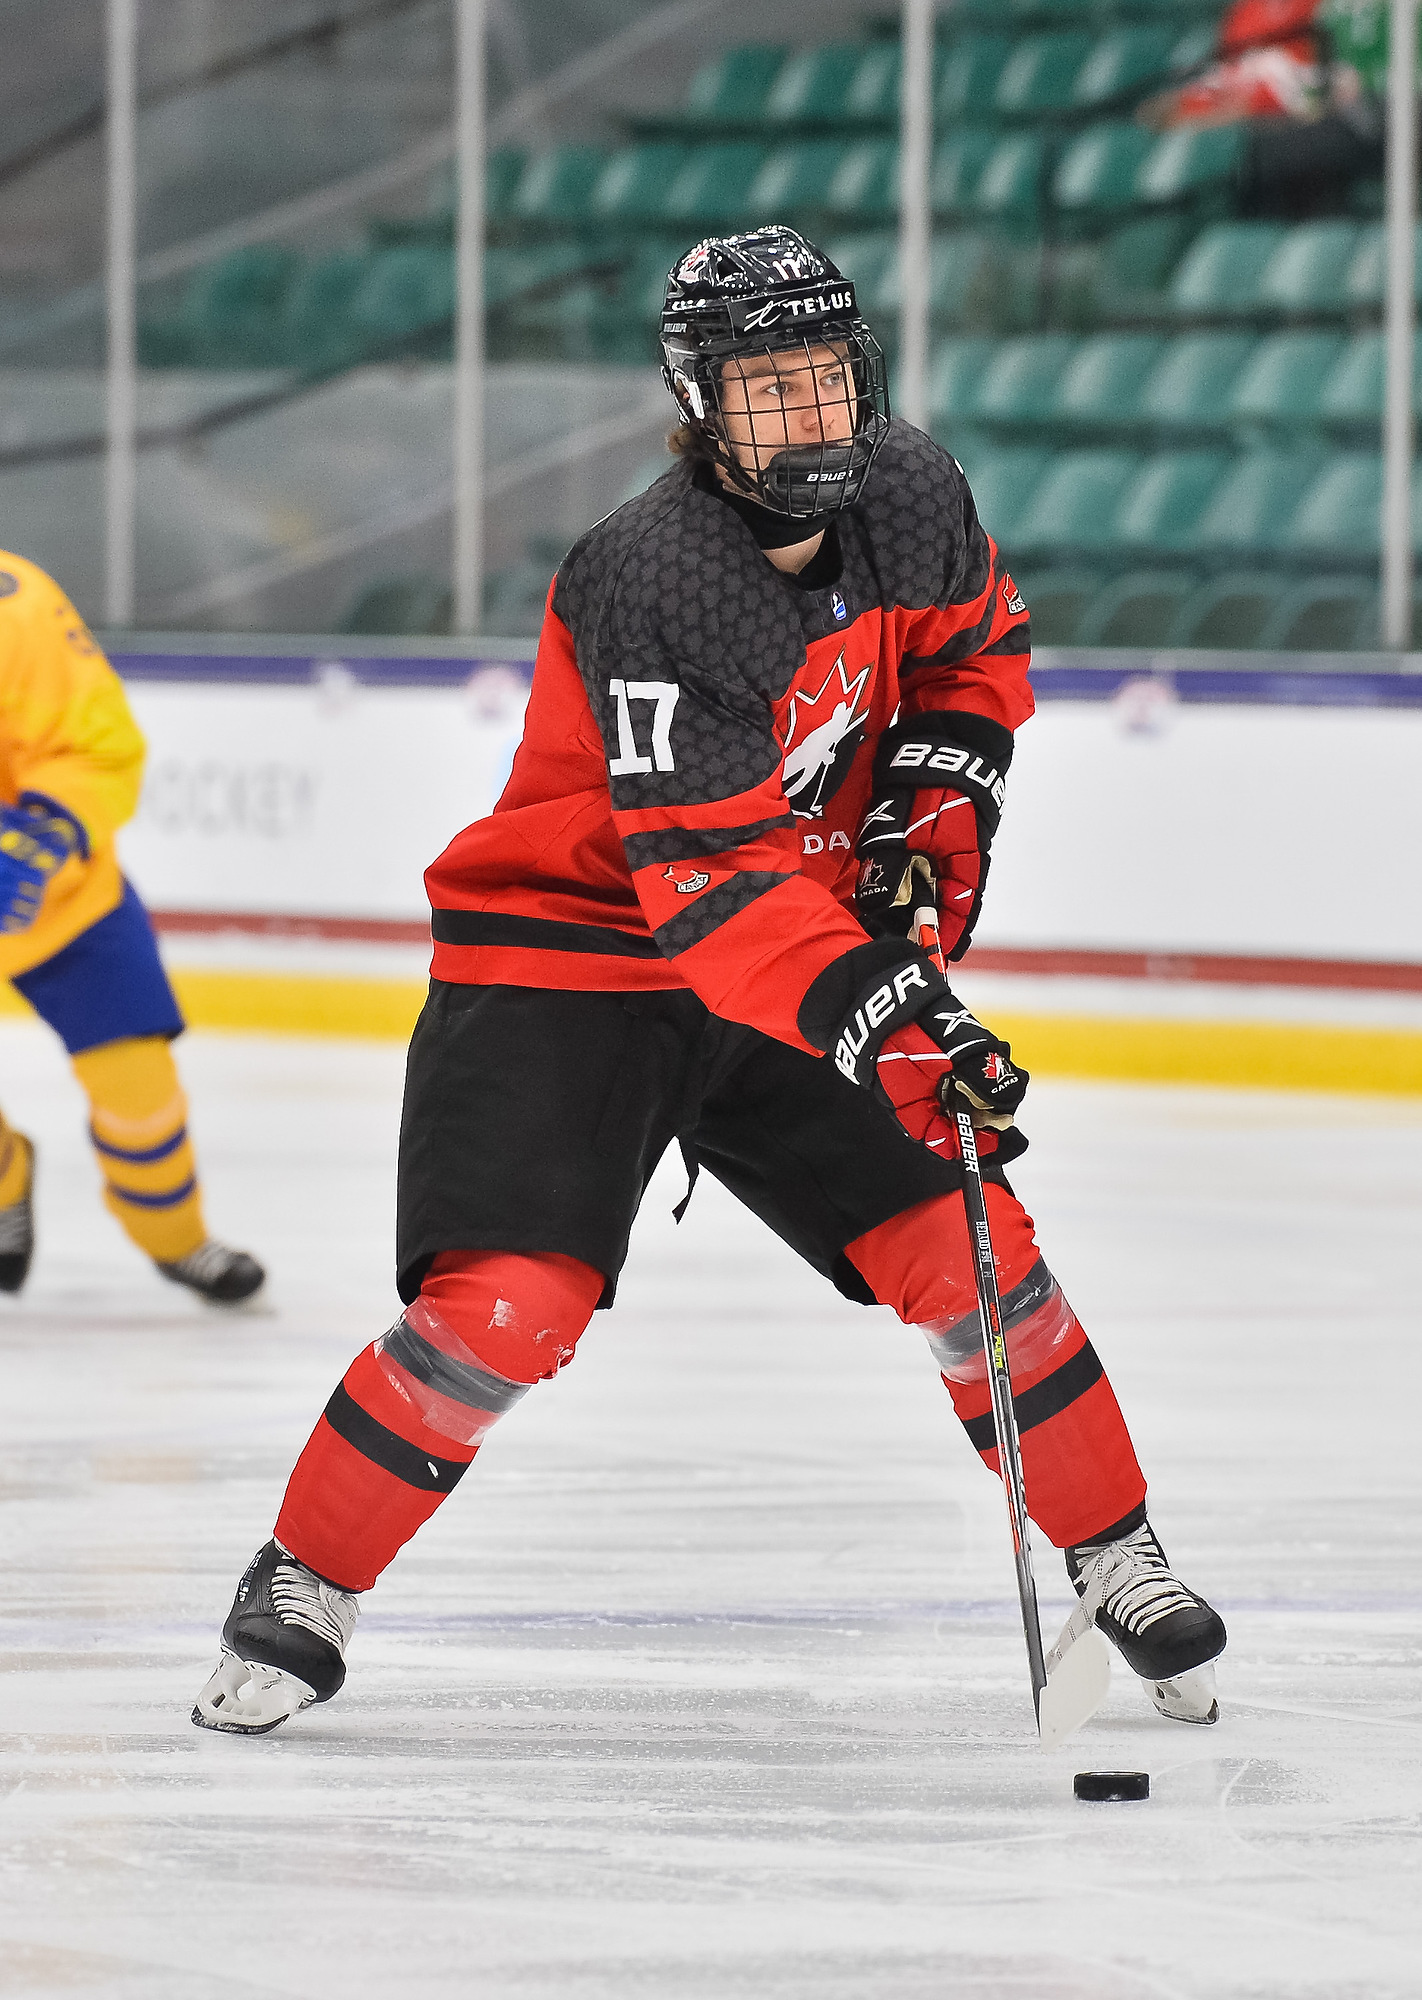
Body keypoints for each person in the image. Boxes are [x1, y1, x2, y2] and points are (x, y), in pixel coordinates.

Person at [193, 227, 1225, 1737]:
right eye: (765, 390)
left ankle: (1112, 1544)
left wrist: (930, 816)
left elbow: (974, 653)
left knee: (967, 1241)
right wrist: (887, 1009)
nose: (807, 419)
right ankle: (303, 1576)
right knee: (507, 1308)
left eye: (826, 380)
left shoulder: (914, 493)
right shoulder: (657, 573)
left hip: (794, 942)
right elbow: (713, 889)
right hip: (574, 954)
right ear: (698, 403)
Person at [0, 552, 264, 1305]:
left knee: (139, 1098)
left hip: (66, 901)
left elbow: (94, 743)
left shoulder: (13, 605)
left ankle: (176, 1240)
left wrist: (43, 834)